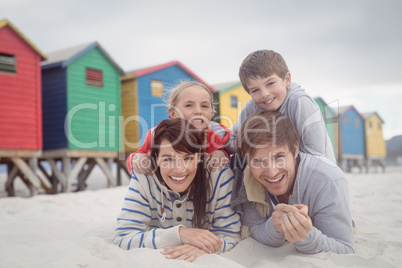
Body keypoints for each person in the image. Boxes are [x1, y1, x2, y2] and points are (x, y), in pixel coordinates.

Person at [113, 118, 241, 262]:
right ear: (156, 158)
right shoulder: (144, 176)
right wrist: (181, 234)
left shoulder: (218, 176)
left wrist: (203, 247)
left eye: (187, 158)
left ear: (199, 156)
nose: (179, 169)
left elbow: (231, 235)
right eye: (168, 159)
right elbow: (123, 238)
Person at [231, 110, 354, 254]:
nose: (272, 172)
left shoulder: (328, 179)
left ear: (295, 149)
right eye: (257, 161)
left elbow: (345, 248)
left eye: (279, 157)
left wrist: (307, 237)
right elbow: (253, 229)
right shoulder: (249, 178)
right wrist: (274, 228)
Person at [226, 50, 335, 162]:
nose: (264, 94)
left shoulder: (300, 103)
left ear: (287, 79)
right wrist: (221, 150)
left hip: (315, 168)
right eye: (255, 90)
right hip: (272, 167)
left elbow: (317, 153)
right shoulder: (251, 107)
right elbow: (232, 139)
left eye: (270, 83)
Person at [126, 81, 230, 174]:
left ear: (211, 113)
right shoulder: (159, 135)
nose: (198, 111)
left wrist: (221, 153)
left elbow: (231, 151)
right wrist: (137, 158)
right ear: (173, 113)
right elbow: (137, 155)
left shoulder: (216, 134)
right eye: (189, 105)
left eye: (204, 106)